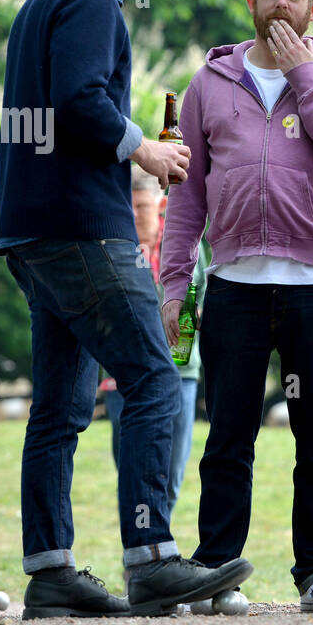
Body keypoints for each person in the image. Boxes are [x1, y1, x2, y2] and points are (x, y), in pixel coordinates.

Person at [0, 0, 253, 619]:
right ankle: (152, 558)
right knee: (153, 376)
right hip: (82, 228)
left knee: (60, 405)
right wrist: (144, 149)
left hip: (33, 230)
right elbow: (80, 100)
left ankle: (51, 572)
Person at [161, 0, 313, 614]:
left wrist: (303, 76)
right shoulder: (210, 83)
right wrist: (175, 285)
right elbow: (187, 196)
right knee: (229, 435)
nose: (282, 3)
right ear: (251, 0)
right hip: (233, 286)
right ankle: (217, 571)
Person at [99, 168, 206, 512]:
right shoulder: (111, 246)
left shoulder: (184, 243)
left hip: (179, 371)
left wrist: (194, 316)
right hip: (123, 377)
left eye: (141, 206)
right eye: (126, 206)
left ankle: (158, 553)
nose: (132, 214)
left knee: (171, 473)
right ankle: (138, 557)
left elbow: (202, 288)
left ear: (160, 204)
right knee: (130, 472)